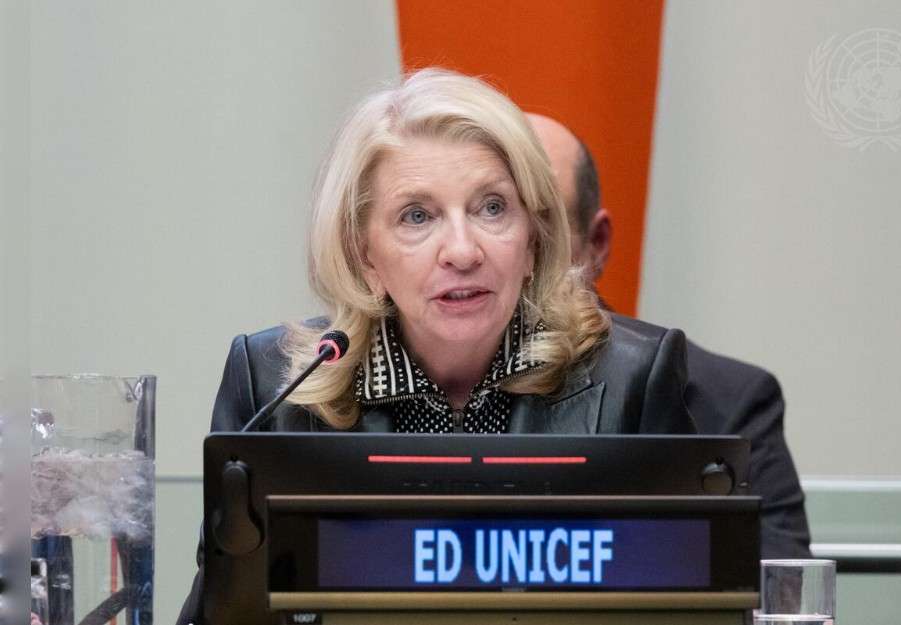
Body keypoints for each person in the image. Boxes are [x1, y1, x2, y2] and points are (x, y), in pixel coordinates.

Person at [177, 69, 695, 623]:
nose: (462, 250)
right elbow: (222, 611)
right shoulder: (275, 388)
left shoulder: (632, 380)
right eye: (417, 216)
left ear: (533, 238)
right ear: (363, 255)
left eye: (492, 207)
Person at [526, 113, 812, 559]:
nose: (511, 249)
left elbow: (772, 595)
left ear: (596, 243)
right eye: (493, 213)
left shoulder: (726, 400)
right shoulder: (406, 384)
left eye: (542, 224)